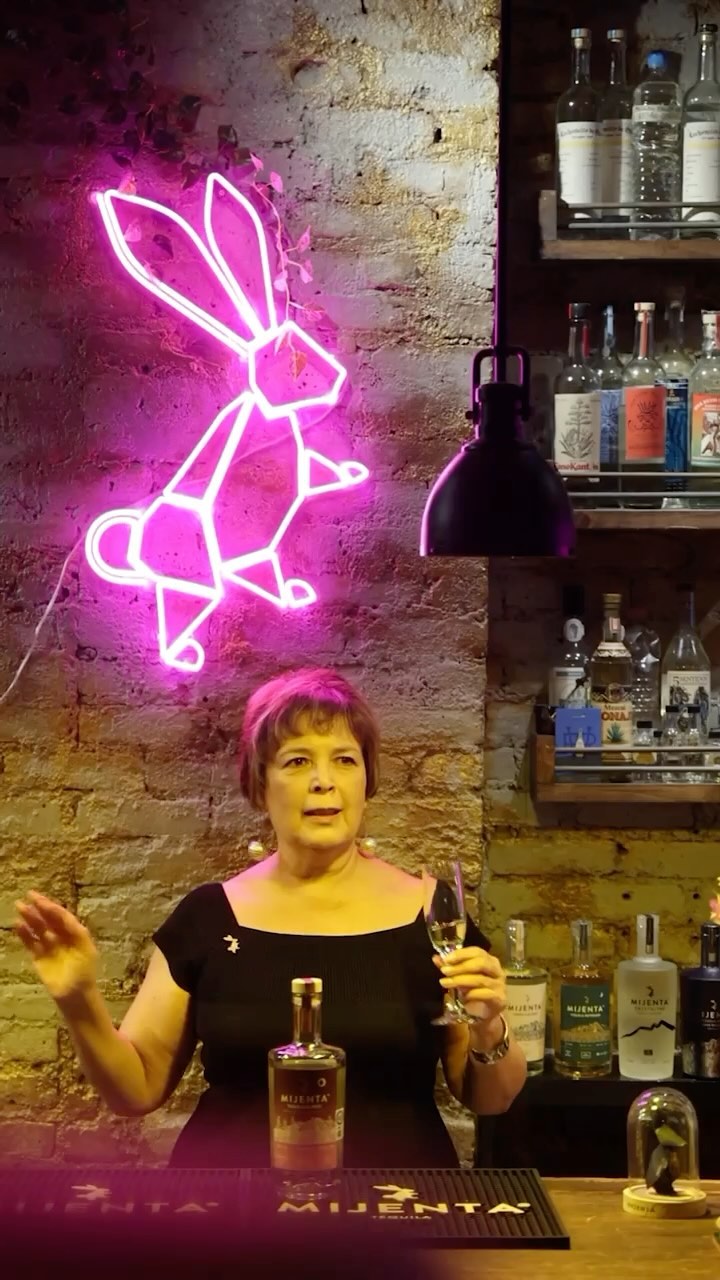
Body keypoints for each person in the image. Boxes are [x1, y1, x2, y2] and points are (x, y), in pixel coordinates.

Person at [14, 668, 526, 1168]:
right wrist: (79, 1001)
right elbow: (136, 1089)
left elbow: (491, 1098)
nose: (324, 782)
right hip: (231, 1207)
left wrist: (489, 1027)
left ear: (367, 780)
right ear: (260, 785)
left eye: (345, 760)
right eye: (298, 761)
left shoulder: (434, 915)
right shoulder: (208, 917)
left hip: (393, 1207)